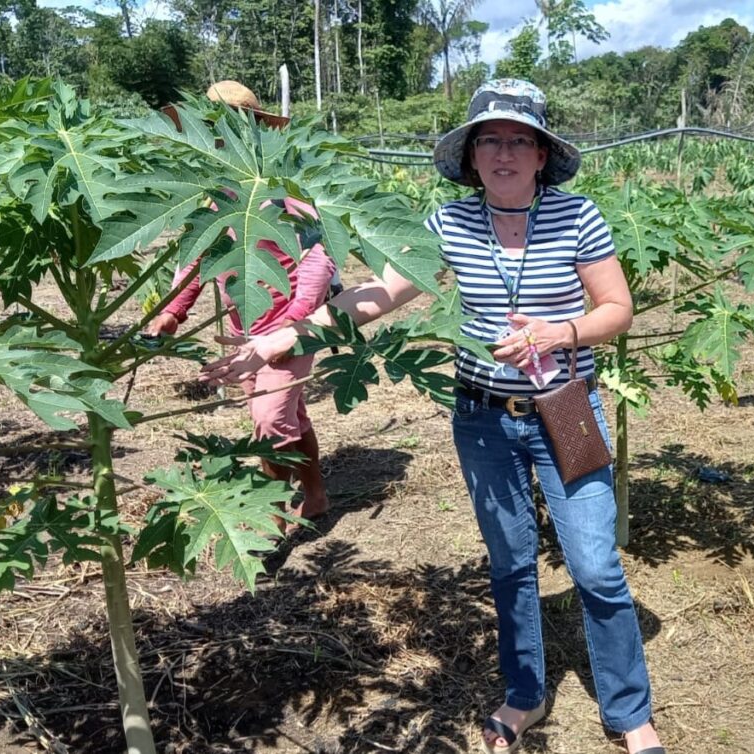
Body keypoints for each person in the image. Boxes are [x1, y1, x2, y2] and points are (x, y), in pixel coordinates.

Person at [200, 79, 664, 754]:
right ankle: (524, 696)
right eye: (490, 140)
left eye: (519, 139)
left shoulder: (578, 217)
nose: (504, 151)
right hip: (482, 419)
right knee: (509, 565)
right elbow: (379, 292)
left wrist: (558, 333)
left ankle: (629, 714)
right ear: (471, 156)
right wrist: (284, 336)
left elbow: (614, 310)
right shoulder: (449, 224)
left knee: (594, 566)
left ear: (541, 155)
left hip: (565, 408)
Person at [146, 80, 334, 524]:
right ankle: (317, 493)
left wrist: (293, 326)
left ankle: (268, 515)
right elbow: (196, 257)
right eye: (209, 130)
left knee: (270, 424)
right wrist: (174, 309)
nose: (217, 139)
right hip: (242, 332)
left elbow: (318, 257)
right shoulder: (215, 194)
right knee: (290, 417)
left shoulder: (285, 189)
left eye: (228, 128)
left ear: (251, 130)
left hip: (289, 329)